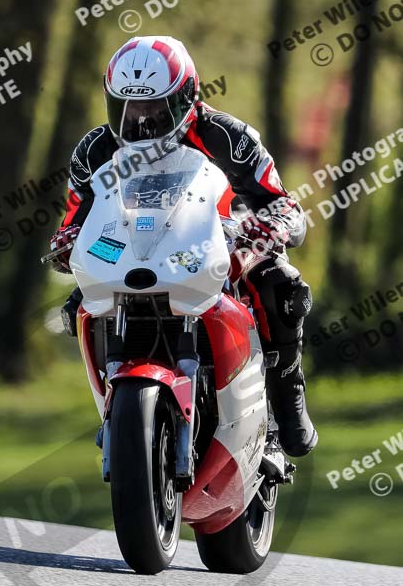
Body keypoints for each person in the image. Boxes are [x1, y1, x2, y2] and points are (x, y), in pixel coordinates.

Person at [49, 36, 317, 458]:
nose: (141, 120)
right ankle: (117, 408)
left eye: (156, 108)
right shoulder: (95, 149)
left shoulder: (229, 137)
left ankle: (287, 401)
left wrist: (266, 229)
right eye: (128, 108)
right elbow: (76, 217)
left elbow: (282, 202)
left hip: (221, 247)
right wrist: (66, 242)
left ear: (187, 97)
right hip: (133, 254)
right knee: (77, 307)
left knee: (281, 286)